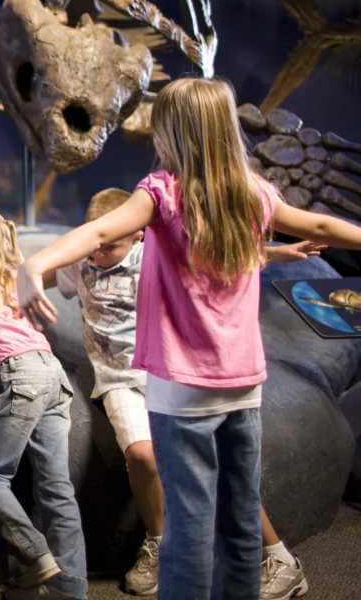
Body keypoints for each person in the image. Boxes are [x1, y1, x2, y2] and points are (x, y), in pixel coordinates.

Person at [17, 77, 361, 600]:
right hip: (243, 385)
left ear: (171, 132)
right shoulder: (254, 195)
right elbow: (319, 223)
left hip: (181, 393)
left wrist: (36, 261)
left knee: (191, 523)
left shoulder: (161, 193)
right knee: (241, 514)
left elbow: (100, 232)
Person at [49, 188, 323, 597]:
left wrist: (278, 254)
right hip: (119, 379)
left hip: (169, 372)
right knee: (142, 454)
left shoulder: (157, 257)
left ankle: (279, 558)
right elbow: (37, 273)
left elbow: (221, 259)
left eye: (110, 246)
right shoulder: (82, 260)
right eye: (94, 243)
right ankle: (158, 546)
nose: (97, 254)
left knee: (214, 460)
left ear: (138, 235)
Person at [0, 208, 87, 600]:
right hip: (53, 373)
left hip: (20, 375)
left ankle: (36, 555)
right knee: (56, 488)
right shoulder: (21, 278)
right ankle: (71, 588)